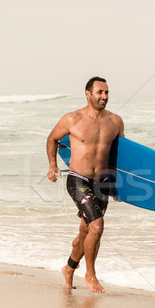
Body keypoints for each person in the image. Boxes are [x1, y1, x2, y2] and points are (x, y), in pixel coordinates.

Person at [46, 76, 125, 293]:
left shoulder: (115, 122)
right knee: (97, 226)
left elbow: (121, 156)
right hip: (78, 179)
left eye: (107, 92)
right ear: (88, 94)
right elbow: (52, 138)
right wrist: (53, 165)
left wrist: (120, 186)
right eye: (100, 92)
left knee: (86, 232)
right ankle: (90, 274)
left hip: (103, 182)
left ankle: (69, 268)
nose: (104, 96)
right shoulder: (72, 119)